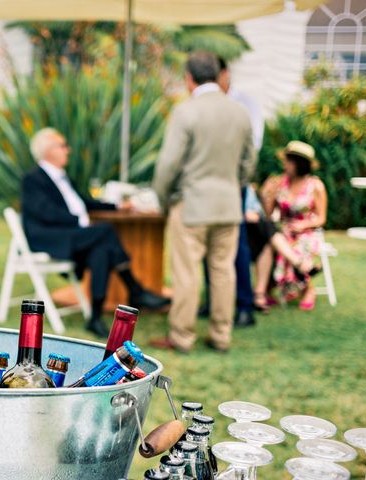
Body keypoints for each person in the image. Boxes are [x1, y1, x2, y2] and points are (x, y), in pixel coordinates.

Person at [150, 51, 256, 353]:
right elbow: (250, 161)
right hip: (229, 204)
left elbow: (168, 165)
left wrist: (163, 199)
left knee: (186, 272)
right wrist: (234, 186)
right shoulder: (239, 112)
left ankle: (182, 337)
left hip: (191, 204)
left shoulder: (187, 112)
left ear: (188, 78)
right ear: (218, 74)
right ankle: (221, 336)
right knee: (224, 271)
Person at [21, 128, 171, 337]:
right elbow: (45, 212)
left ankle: (94, 318)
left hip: (73, 234)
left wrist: (118, 207)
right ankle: (135, 291)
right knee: (106, 230)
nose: (68, 150)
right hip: (51, 238)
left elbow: (86, 203)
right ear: (48, 150)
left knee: (102, 251)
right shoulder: (32, 179)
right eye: (63, 145)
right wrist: (80, 221)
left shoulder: (64, 178)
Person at [199, 57, 266, 328]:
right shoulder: (204, 106)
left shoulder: (244, 104)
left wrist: (237, 181)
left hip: (231, 185)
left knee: (235, 247)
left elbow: (253, 148)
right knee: (206, 244)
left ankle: (244, 305)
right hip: (206, 186)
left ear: (224, 74)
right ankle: (213, 302)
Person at [259, 140, 327, 310]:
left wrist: (303, 225)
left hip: (308, 231)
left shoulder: (315, 186)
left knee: (298, 244)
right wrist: (268, 195)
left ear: (298, 163)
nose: (284, 164)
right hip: (284, 230)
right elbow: (267, 215)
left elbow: (321, 218)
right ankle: (276, 287)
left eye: (288, 161)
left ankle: (307, 290)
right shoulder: (280, 184)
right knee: (276, 241)